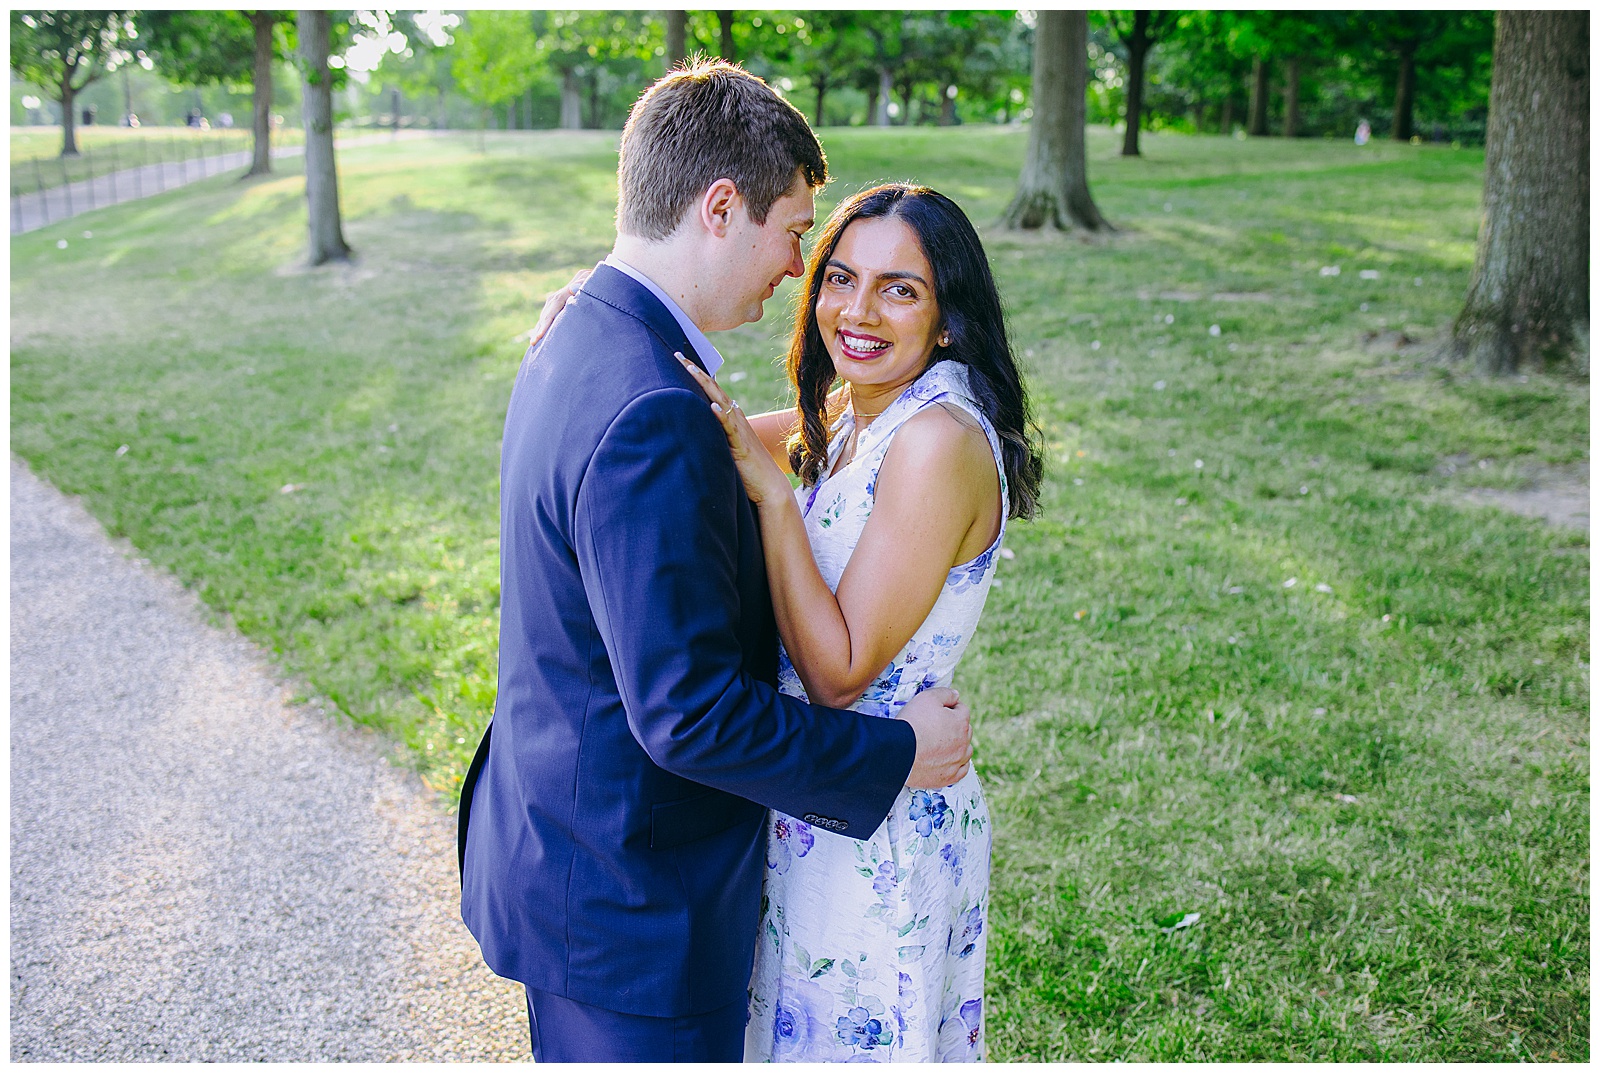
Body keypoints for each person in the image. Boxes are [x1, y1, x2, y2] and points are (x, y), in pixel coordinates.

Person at [457, 61, 974, 1064]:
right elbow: (687, 712)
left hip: (563, 848)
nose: (796, 268)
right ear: (721, 206)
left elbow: (728, 440)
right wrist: (897, 752)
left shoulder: (583, 333)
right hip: (632, 906)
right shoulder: (648, 401)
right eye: (794, 234)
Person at [680, 184, 1043, 1061]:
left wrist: (774, 500)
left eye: (899, 289)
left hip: (881, 824)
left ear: (949, 318)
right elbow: (696, 425)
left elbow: (840, 670)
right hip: (824, 796)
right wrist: (601, 311)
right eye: (840, 278)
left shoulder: (936, 440)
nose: (858, 310)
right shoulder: (857, 409)